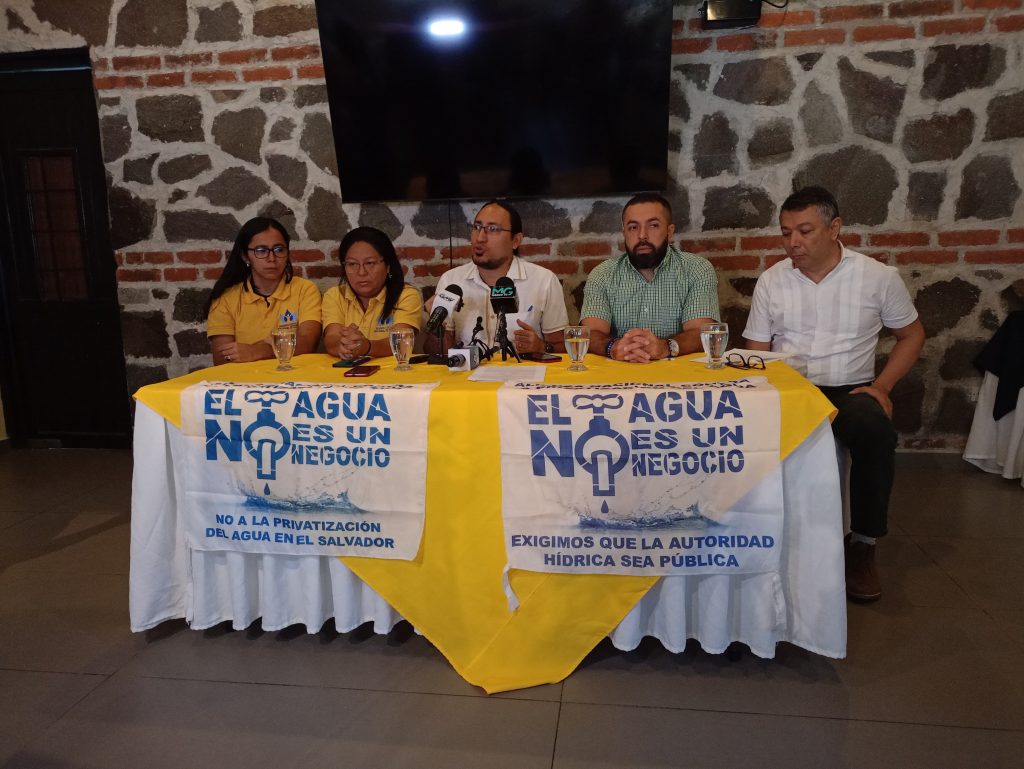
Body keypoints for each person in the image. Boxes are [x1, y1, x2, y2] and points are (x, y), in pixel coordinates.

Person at [743, 186, 925, 602]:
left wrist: (882, 387)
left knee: (873, 427)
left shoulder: (877, 278)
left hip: (849, 390)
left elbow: (912, 335)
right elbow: (757, 351)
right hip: (790, 389)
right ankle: (759, 538)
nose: (793, 242)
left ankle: (862, 545)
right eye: (786, 232)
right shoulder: (772, 280)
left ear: (834, 228)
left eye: (805, 231)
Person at [581, 192, 720, 362]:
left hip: (679, 374)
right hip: (619, 373)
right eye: (633, 227)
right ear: (624, 233)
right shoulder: (602, 274)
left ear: (669, 231)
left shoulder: (696, 270)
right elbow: (591, 333)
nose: (642, 235)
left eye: (653, 225)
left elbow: (700, 333)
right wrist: (613, 347)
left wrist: (666, 347)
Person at [425, 200, 568, 354]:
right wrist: (436, 325)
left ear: (515, 241)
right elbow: (434, 353)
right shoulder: (451, 281)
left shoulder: (544, 281)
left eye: (492, 229)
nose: (480, 238)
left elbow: (563, 347)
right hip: (468, 370)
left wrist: (541, 347)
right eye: (477, 227)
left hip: (524, 369)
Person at [206, 216, 322, 365]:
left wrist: (257, 351)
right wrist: (281, 345)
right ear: (245, 256)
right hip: (245, 378)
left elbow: (307, 343)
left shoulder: (305, 289)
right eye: (261, 251)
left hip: (294, 376)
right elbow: (222, 359)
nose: (271, 258)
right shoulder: (226, 298)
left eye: (279, 249)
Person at [322, 226, 423, 360]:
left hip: (394, 370)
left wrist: (367, 347)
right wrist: (343, 345)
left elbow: (401, 341)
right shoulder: (335, 295)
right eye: (352, 264)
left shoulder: (406, 295)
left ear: (388, 266)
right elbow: (332, 338)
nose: (361, 272)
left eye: (370, 263)